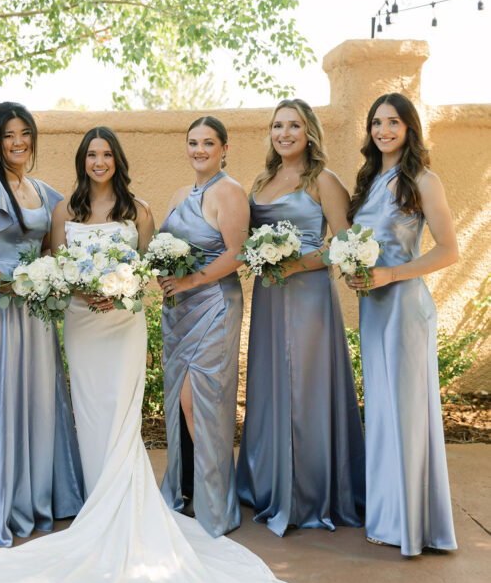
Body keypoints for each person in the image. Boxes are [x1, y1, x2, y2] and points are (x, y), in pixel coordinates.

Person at [0, 126, 292, 583]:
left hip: (121, 326)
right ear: (83, 162)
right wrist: (82, 288)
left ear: (118, 161)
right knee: (90, 415)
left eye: (106, 155)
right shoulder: (64, 211)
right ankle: (99, 502)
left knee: (120, 415)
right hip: (80, 324)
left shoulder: (140, 210)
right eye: (91, 155)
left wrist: (120, 293)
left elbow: (149, 267)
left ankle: (125, 510)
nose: (99, 162)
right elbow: (55, 264)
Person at [0, 103, 83, 546]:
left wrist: (46, 275)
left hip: (35, 315)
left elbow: (49, 246)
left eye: (25, 132)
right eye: (9, 135)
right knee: (2, 396)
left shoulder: (40, 190)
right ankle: (1, 500)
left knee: (38, 399)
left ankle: (41, 495)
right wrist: (10, 284)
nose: (19, 141)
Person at [235, 99, 365, 536]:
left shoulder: (323, 180)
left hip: (308, 297)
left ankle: (310, 493)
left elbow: (342, 244)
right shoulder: (262, 180)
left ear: (309, 132)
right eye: (277, 125)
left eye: (294, 125)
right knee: (270, 386)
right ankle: (267, 482)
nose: (284, 133)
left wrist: (295, 263)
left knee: (306, 387)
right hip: (270, 298)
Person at [348, 93, 458, 555]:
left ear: (410, 128)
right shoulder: (371, 179)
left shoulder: (423, 180)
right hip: (373, 307)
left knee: (407, 413)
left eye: (393, 122)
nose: (383, 130)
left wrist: (391, 273)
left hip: (406, 307)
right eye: (377, 122)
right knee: (383, 411)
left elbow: (449, 251)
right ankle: (388, 515)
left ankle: (413, 526)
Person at [156, 116, 249, 536]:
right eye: (193, 142)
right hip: (178, 309)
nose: (199, 150)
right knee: (179, 403)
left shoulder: (229, 192)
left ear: (224, 148)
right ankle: (188, 491)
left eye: (208, 143)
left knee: (200, 403)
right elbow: (165, 246)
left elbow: (236, 254)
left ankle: (215, 503)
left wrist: (189, 280)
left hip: (213, 305)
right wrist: (163, 274)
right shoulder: (180, 193)